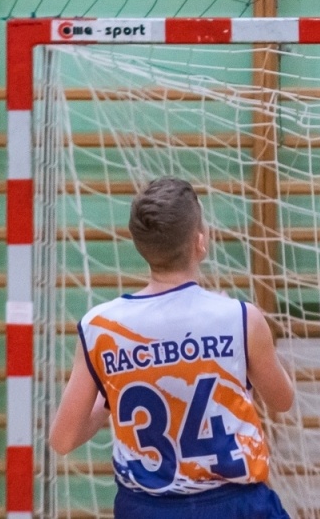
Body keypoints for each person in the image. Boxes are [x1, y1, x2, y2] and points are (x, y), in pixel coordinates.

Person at [50, 176, 297, 519]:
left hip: (146, 509)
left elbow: (62, 440)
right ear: (200, 242)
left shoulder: (100, 327)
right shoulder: (240, 318)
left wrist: (113, 391)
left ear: (141, 245)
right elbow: (282, 400)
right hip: (235, 505)